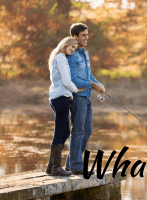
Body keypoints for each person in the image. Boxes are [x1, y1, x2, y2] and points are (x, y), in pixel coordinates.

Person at [64, 23, 105, 175]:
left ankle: (70, 163)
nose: (86, 37)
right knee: (78, 131)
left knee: (87, 130)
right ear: (74, 37)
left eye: (87, 34)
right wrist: (92, 84)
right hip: (77, 97)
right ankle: (76, 166)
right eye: (83, 35)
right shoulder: (72, 54)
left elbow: (88, 76)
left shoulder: (84, 53)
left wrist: (98, 84)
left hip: (86, 96)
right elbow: (74, 79)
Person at [46, 36, 86, 176]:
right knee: (60, 132)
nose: (73, 50)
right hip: (60, 97)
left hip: (59, 97)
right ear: (65, 44)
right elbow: (66, 80)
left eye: (75, 48)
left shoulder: (58, 57)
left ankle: (51, 166)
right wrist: (76, 90)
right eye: (72, 47)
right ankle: (56, 168)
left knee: (65, 132)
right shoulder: (61, 58)